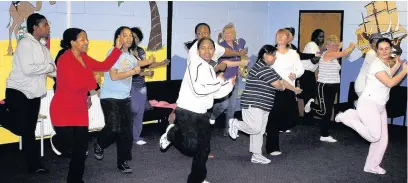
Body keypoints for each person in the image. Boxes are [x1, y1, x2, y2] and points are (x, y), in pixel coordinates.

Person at [49, 28, 123, 182]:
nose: (86, 42)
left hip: (80, 110)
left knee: (81, 151)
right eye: (82, 39)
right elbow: (74, 85)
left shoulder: (84, 57)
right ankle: (57, 141)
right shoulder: (64, 59)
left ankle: (75, 180)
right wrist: (94, 81)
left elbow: (104, 66)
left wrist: (117, 48)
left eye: (86, 38)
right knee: (70, 145)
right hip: (63, 110)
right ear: (72, 42)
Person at [159, 37, 234, 183]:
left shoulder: (209, 68)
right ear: (197, 50)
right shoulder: (195, 64)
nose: (207, 51)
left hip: (202, 113)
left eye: (210, 48)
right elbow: (200, 90)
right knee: (191, 146)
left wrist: (229, 84)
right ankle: (172, 133)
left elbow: (214, 94)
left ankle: (196, 179)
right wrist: (220, 81)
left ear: (214, 51)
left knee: (204, 149)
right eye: (203, 48)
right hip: (187, 110)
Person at [335, 38, 407, 175]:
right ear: (377, 51)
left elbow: (387, 75)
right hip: (369, 103)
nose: (385, 51)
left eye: (387, 48)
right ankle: (348, 117)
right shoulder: (376, 64)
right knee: (374, 137)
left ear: (391, 49)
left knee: (382, 140)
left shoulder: (384, 63)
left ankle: (371, 166)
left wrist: (397, 66)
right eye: (381, 49)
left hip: (380, 105)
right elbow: (390, 83)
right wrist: (404, 71)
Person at [1, 13, 55, 174]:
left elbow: (53, 69)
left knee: (27, 131)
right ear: (35, 27)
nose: (48, 27)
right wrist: (48, 68)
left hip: (34, 94)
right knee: (24, 129)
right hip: (18, 91)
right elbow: (28, 69)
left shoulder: (43, 47)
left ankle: (34, 165)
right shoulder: (25, 43)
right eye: (45, 24)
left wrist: (67, 77)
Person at [228, 45, 302, 164]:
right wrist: (282, 87)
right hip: (254, 103)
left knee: (260, 131)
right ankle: (235, 123)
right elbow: (278, 84)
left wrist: (294, 89)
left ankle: (256, 155)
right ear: (264, 55)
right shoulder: (261, 67)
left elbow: (282, 81)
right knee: (255, 128)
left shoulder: (269, 69)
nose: (274, 58)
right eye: (272, 55)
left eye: (275, 56)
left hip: (264, 104)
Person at [94, 26, 142, 174]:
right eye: (124, 35)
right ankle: (100, 143)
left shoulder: (130, 56)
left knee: (126, 132)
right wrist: (134, 71)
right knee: (114, 127)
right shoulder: (113, 53)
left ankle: (122, 161)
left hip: (125, 98)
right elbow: (114, 76)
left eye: (130, 36)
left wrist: (145, 69)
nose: (128, 38)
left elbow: (136, 67)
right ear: (118, 38)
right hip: (110, 97)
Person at [304, 35, 356, 143]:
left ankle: (324, 134)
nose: (335, 47)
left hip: (333, 86)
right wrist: (351, 46)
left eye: (336, 45)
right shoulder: (329, 54)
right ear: (327, 46)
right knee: (324, 111)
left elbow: (338, 47)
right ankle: (311, 104)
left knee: (327, 112)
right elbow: (344, 53)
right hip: (324, 86)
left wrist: (339, 44)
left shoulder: (331, 52)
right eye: (332, 45)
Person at [265, 28, 304, 156]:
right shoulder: (271, 52)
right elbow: (266, 68)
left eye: (282, 36)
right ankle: (272, 147)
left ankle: (270, 128)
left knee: (292, 119)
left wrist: (295, 74)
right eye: (278, 36)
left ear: (288, 39)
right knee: (274, 118)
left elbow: (301, 69)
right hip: (274, 88)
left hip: (289, 89)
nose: (279, 38)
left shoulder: (293, 53)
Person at [129, 27, 169, 145]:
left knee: (140, 112)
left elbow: (146, 65)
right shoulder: (125, 52)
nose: (132, 39)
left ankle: (136, 138)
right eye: (131, 36)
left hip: (141, 86)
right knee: (134, 110)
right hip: (129, 86)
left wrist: (161, 63)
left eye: (135, 37)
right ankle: (127, 136)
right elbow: (130, 70)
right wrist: (145, 73)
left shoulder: (141, 51)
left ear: (139, 40)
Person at [209, 23, 249, 136]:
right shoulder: (220, 46)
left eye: (229, 33)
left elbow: (239, 63)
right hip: (223, 79)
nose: (227, 35)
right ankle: (212, 115)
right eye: (225, 33)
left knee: (232, 106)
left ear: (234, 35)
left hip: (234, 80)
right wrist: (241, 62)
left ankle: (228, 129)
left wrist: (240, 71)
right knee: (224, 104)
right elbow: (223, 63)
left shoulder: (237, 47)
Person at [298, 29, 325, 124]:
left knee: (310, 95)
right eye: (320, 36)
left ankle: (308, 117)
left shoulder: (316, 47)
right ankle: (307, 118)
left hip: (309, 73)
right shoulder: (312, 45)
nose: (322, 39)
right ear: (315, 37)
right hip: (306, 73)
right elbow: (314, 60)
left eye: (323, 37)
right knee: (309, 96)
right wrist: (322, 52)